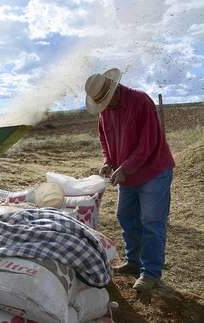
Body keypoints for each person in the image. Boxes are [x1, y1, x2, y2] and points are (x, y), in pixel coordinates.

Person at [85, 68, 175, 292]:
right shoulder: (106, 110)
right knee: (125, 216)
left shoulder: (141, 101)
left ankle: (151, 273)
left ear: (114, 91)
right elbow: (104, 140)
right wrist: (108, 162)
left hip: (153, 171)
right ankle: (134, 261)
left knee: (151, 221)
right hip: (127, 174)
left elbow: (147, 145)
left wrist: (125, 167)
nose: (104, 107)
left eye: (105, 101)